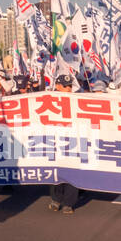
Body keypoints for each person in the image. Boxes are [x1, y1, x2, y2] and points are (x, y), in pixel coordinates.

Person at [47, 75, 80, 214]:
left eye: (70, 86)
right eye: (66, 86)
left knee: (72, 171)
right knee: (56, 171)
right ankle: (56, 199)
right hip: (55, 139)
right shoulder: (49, 100)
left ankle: (68, 203)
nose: (69, 89)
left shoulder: (77, 100)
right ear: (58, 86)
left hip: (73, 140)